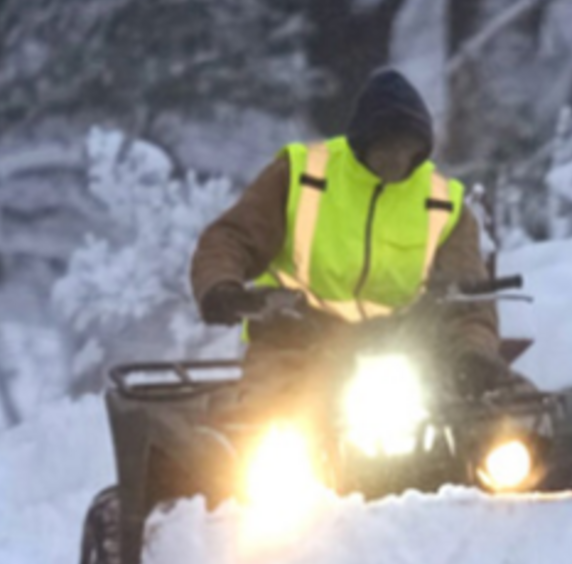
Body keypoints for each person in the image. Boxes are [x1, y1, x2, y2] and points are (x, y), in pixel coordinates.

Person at [188, 67, 514, 391]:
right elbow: (231, 238)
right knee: (262, 432)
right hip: (292, 351)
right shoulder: (302, 175)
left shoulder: (443, 204)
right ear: (363, 141)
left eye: (407, 147)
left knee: (507, 426)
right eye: (386, 146)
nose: (396, 157)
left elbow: (471, 300)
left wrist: (474, 353)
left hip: (410, 363)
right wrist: (221, 287)